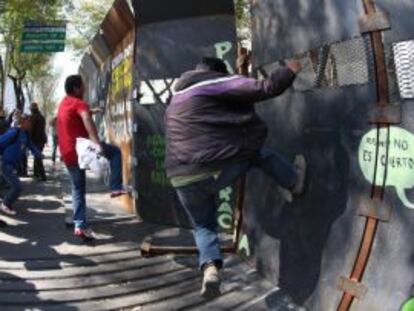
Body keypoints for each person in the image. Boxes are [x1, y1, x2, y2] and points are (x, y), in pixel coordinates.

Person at [165, 57, 306, 298]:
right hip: (211, 166)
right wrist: (291, 69)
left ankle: (210, 268)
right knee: (257, 155)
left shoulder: (175, 99)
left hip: (179, 177)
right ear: (218, 71)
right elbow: (265, 88)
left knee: (203, 225)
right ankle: (294, 181)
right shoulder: (214, 82)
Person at [57, 75, 128, 240]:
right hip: (81, 150)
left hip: (67, 153)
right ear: (76, 88)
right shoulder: (79, 103)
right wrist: (96, 143)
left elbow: (75, 114)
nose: (85, 89)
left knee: (78, 189)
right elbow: (85, 118)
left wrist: (92, 110)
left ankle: (79, 225)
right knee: (115, 152)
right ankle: (116, 186)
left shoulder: (64, 103)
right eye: (83, 86)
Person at [0, 114, 42, 216]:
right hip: (5, 164)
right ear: (22, 122)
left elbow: (31, 146)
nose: (31, 124)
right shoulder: (14, 132)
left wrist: (39, 154)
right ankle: (5, 204)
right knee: (17, 187)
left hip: (12, 165)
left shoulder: (25, 134)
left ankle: (5, 204)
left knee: (9, 186)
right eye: (29, 122)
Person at [29, 103, 47, 181]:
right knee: (37, 157)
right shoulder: (41, 117)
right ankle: (36, 174)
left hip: (36, 140)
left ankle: (42, 176)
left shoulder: (33, 117)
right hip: (41, 140)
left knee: (37, 157)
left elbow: (31, 130)